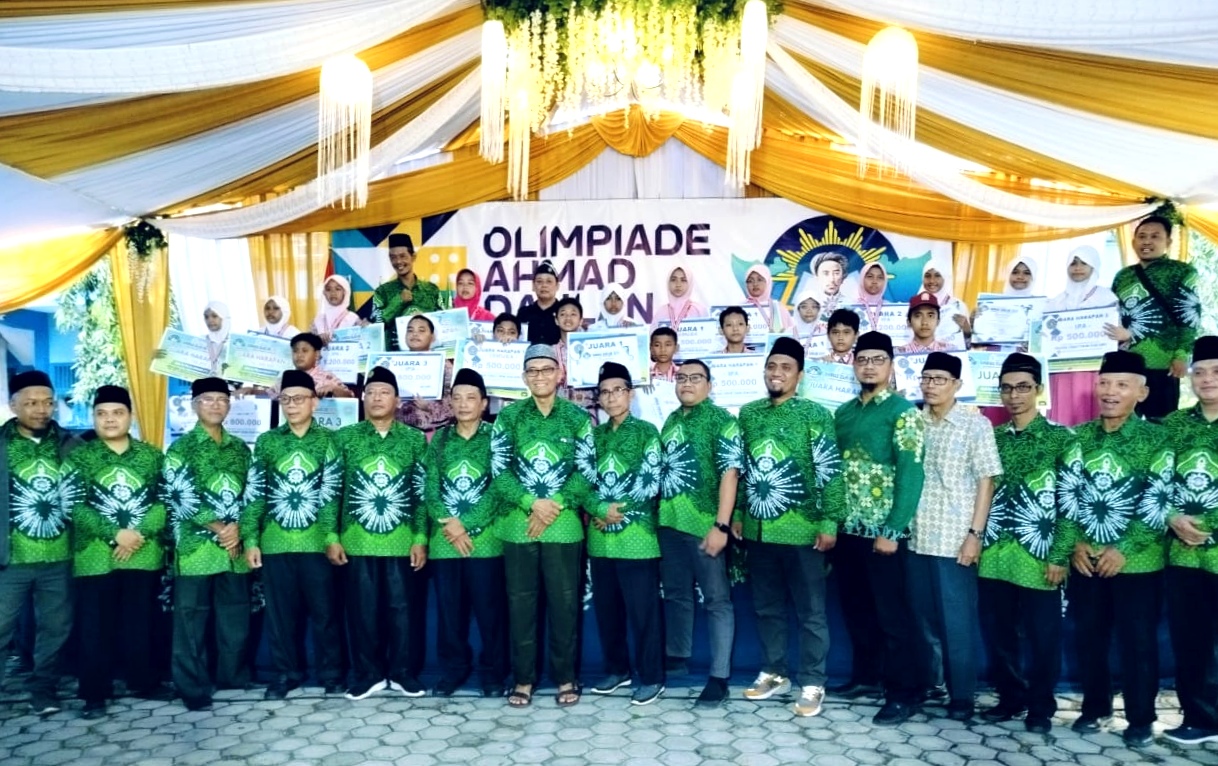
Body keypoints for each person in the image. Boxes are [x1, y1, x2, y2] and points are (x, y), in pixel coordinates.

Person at [1058, 350, 1173, 747]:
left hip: (1137, 561)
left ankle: (1141, 718)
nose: (1110, 392)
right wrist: (1075, 543)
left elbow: (1158, 498)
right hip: (1086, 559)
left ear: (1142, 393)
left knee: (1137, 642)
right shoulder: (1079, 437)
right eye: (1105, 383)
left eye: (1122, 385)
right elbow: (1066, 495)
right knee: (1089, 637)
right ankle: (1095, 708)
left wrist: (1123, 548)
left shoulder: (1157, 438)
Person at [738, 337, 845, 718]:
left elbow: (830, 470)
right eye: (771, 366)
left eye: (786, 367)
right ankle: (774, 672)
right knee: (767, 608)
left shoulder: (815, 414)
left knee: (811, 612)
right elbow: (742, 469)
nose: (777, 373)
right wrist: (738, 514)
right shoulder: (749, 414)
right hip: (758, 531)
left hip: (803, 532)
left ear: (800, 375)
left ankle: (813, 682)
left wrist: (830, 520)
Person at [490, 344, 596, 708]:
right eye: (532, 371)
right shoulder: (509, 417)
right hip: (518, 525)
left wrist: (555, 504)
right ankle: (523, 679)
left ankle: (566, 677)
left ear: (559, 374)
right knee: (521, 605)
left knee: (565, 605)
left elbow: (586, 470)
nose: (539, 376)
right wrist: (531, 503)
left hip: (563, 526)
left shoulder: (577, 417)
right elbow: (499, 470)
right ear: (523, 377)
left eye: (546, 369)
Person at [832, 332, 926, 725]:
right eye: (863, 359)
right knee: (857, 610)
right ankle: (866, 678)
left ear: (890, 365)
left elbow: (912, 473)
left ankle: (905, 693)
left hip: (883, 534)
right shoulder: (844, 413)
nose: (869, 366)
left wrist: (893, 529)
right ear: (854, 365)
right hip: (847, 531)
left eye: (877, 359)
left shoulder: (904, 412)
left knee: (893, 616)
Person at [978, 354, 1074, 734]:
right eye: (1006, 388)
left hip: (1040, 556)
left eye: (1022, 387)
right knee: (999, 633)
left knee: (1043, 637)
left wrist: (1060, 554)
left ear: (1038, 390)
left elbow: (1070, 502)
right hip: (994, 554)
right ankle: (1010, 697)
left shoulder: (1060, 439)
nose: (1014, 396)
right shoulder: (991, 438)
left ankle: (1040, 706)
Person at [906, 352, 1002, 722]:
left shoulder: (974, 424)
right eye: (926, 378)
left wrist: (975, 534)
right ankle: (930, 684)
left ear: (957, 385)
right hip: (916, 536)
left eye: (940, 379)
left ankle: (962, 695)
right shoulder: (913, 422)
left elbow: (986, 480)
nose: (931, 385)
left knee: (956, 622)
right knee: (921, 620)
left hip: (954, 539)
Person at [62, 385, 168, 718]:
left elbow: (165, 500)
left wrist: (138, 534)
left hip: (143, 553)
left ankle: (144, 682)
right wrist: (115, 534)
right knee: (95, 627)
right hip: (95, 557)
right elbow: (73, 505)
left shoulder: (152, 456)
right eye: (102, 414)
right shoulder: (79, 457)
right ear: (93, 417)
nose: (110, 420)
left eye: (117, 413)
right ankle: (95, 693)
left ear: (130, 417)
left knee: (141, 622)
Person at [240, 370, 344, 700]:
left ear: (314, 402)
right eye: (285, 399)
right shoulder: (268, 442)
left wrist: (330, 536)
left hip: (316, 542)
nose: (292, 405)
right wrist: (251, 539)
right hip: (276, 541)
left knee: (324, 612)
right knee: (280, 616)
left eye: (299, 399)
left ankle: (331, 674)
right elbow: (255, 492)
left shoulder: (329, 440)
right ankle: (286, 674)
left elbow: (331, 492)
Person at [330, 366, 429, 700]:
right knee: (362, 611)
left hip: (402, 540)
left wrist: (420, 538)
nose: (376, 398)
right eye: (370, 392)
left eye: (384, 392)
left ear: (397, 400)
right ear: (362, 398)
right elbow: (331, 491)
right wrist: (331, 536)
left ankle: (403, 673)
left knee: (404, 610)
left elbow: (421, 493)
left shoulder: (413, 439)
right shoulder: (345, 438)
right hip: (357, 540)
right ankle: (368, 675)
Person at [162, 377, 252, 712]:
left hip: (234, 550)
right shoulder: (181, 449)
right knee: (191, 620)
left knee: (235, 617)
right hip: (196, 548)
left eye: (221, 399)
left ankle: (233, 678)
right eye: (207, 399)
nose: (215, 405)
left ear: (229, 405)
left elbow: (252, 494)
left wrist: (238, 528)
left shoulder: (240, 448)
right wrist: (221, 528)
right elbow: (179, 495)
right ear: (194, 405)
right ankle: (192, 687)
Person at [656, 359, 742, 706]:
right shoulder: (671, 420)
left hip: (705, 525)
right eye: (682, 378)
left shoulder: (722, 420)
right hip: (669, 522)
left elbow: (730, 473)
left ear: (709, 384)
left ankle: (719, 678)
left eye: (695, 378)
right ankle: (677, 659)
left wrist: (721, 525)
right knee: (676, 593)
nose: (687, 383)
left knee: (717, 600)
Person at [0, 371, 81, 716]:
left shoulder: (69, 444)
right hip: (10, 559)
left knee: (56, 628)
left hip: (60, 557)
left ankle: (43, 690)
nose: (41, 410)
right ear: (13, 405)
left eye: (48, 402)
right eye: (31, 403)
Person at [422, 368, 508, 698]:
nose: (463, 404)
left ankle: (493, 674)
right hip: (445, 542)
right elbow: (430, 487)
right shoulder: (440, 439)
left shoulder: (496, 437)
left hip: (486, 542)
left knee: (491, 613)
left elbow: (499, 487)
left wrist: (465, 524)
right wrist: (450, 524)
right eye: (456, 398)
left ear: (484, 403)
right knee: (450, 614)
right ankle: (453, 670)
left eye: (471, 398)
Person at [586, 362, 665, 706]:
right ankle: (617, 670)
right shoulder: (594, 436)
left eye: (618, 390)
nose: (611, 397)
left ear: (630, 395)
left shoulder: (647, 432)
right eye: (604, 392)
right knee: (608, 611)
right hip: (600, 539)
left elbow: (651, 480)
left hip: (637, 538)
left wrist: (614, 512)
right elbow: (582, 481)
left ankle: (652, 677)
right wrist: (598, 508)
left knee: (643, 614)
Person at [1160, 335, 1218, 745]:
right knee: (1190, 639)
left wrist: (1209, 523)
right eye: (1200, 372)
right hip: (1182, 554)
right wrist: (1171, 518)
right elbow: (1154, 481)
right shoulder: (1173, 425)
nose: (1207, 379)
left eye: (1216, 372)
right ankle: (1198, 719)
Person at [1106, 215, 1200, 421]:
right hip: (1126, 363)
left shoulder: (1182, 272)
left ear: (1168, 242)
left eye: (1155, 236)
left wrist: (1182, 355)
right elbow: (1112, 313)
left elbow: (1189, 316)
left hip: (1163, 363)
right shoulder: (1123, 276)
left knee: (1160, 423)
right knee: (1123, 422)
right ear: (1133, 242)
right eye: (1142, 236)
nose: (1147, 241)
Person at [1044, 245, 1118, 426]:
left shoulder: (1106, 297)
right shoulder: (1056, 301)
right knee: (1062, 419)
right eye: (1073, 263)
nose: (1077, 268)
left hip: (1093, 369)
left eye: (1084, 263)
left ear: (1094, 266)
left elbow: (1116, 331)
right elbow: (1045, 336)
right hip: (1061, 371)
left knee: (1090, 415)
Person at [371, 233, 442, 350]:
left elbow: (444, 323)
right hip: (393, 357)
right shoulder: (382, 292)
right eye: (393, 257)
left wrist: (423, 319)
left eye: (402, 256)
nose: (398, 261)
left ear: (413, 257)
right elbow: (375, 328)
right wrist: (398, 301)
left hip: (428, 356)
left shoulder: (432, 290)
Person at [396, 315, 455, 436]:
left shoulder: (443, 365)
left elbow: (453, 401)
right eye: (410, 330)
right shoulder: (395, 363)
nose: (415, 334)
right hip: (401, 431)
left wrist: (429, 406)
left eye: (421, 330)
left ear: (432, 337)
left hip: (434, 432)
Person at [553, 297, 598, 422]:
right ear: (556, 320)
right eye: (563, 314)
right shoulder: (549, 352)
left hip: (587, 412)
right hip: (558, 414)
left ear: (580, 320)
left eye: (573, 314)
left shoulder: (593, 349)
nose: (568, 318)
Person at [268, 333, 353, 398]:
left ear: (317, 354)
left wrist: (333, 389)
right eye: (295, 351)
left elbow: (350, 398)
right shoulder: (285, 378)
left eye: (305, 351)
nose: (299, 355)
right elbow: (269, 396)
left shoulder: (327, 378)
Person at [921, 258, 971, 350]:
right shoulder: (914, 307)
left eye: (937, 275)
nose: (932, 281)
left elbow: (968, 345)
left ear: (945, 278)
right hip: (921, 357)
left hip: (950, 356)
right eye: (927, 276)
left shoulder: (958, 306)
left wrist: (966, 330)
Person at [517, 260, 561, 345]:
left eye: (549, 281)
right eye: (539, 281)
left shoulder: (563, 313)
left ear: (557, 286)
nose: (544, 285)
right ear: (533, 286)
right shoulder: (524, 313)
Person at [310, 275, 360, 345]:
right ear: (324, 293)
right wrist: (318, 340)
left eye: (338, 289)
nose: (333, 293)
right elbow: (309, 345)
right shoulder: (318, 320)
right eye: (328, 289)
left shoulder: (353, 319)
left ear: (345, 292)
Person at [743, 264, 793, 334]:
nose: (755, 284)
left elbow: (789, 335)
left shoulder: (779, 309)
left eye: (759, 280)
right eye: (750, 281)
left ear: (768, 282)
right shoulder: (740, 309)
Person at [811, 252, 848, 317]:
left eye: (836, 273)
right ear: (816, 277)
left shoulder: (851, 303)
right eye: (826, 273)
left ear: (843, 277)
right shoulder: (808, 305)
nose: (832, 279)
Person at [856, 262, 890, 330]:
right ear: (862, 278)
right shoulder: (852, 307)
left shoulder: (890, 307)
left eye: (880, 277)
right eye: (870, 276)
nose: (875, 281)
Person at [203, 301, 231, 376]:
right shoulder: (201, 341)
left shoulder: (233, 343)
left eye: (214, 316)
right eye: (206, 317)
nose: (210, 320)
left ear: (224, 317)